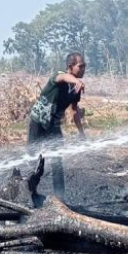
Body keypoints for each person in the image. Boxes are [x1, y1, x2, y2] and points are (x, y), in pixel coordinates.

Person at [28, 52, 86, 197]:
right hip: (38, 121)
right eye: (80, 66)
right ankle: (28, 190)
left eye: (85, 66)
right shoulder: (59, 76)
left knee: (57, 160)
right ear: (70, 67)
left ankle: (59, 197)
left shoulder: (75, 90)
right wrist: (76, 81)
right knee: (33, 156)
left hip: (53, 126)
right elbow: (64, 77)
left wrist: (82, 133)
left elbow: (74, 112)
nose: (83, 69)